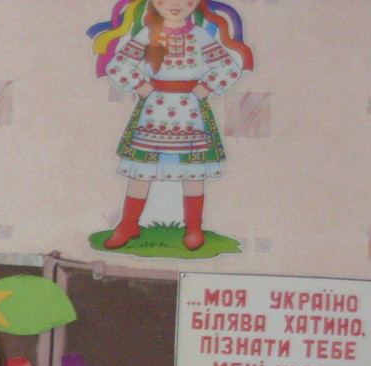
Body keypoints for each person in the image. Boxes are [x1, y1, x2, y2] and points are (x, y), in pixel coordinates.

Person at [88, 0, 253, 251]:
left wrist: (207, 86)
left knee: (194, 171)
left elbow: (228, 67)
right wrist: (138, 84)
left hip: (191, 113)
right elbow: (118, 65)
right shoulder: (147, 34)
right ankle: (128, 224)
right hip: (154, 111)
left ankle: (194, 228)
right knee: (141, 171)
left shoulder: (200, 36)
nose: (176, 4)